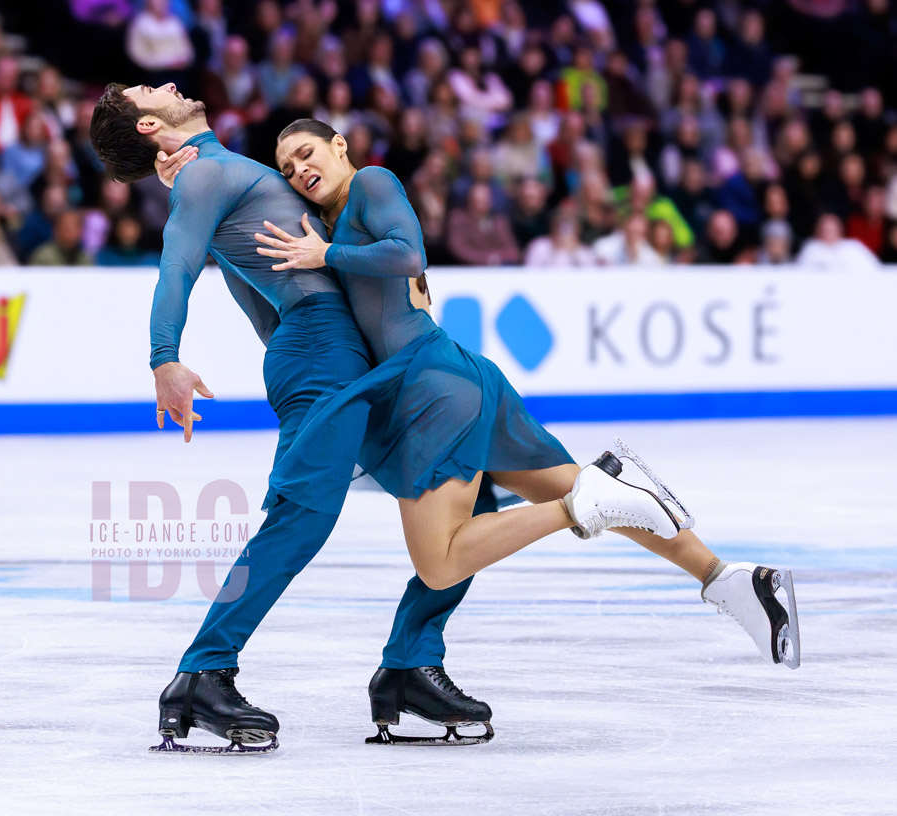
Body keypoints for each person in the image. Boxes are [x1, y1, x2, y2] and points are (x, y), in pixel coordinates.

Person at [236, 119, 799, 709]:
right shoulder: (326, 224)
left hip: (430, 389)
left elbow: (409, 254)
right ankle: (729, 580)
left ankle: (584, 505)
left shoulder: (372, 183)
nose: (298, 170)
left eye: (306, 154)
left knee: (443, 562)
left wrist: (325, 252)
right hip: (446, 377)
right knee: (576, 485)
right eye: (287, 168)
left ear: (340, 146)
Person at [89, 82, 496, 753]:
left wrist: (168, 168)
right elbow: (176, 266)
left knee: (468, 485)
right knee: (303, 516)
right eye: (151, 89)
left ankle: (409, 664)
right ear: (152, 122)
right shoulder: (205, 177)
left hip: (340, 351)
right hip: (320, 350)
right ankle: (202, 673)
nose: (171, 84)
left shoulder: (211, 170)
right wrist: (165, 358)